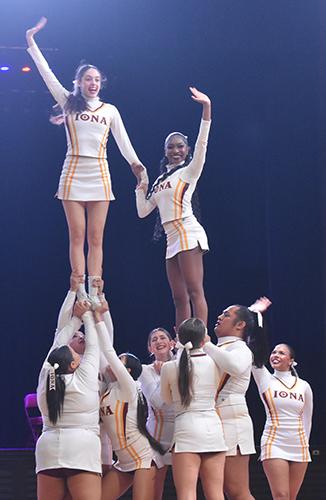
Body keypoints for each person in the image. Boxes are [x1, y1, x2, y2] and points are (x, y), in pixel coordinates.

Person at [26, 17, 148, 303]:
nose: (92, 83)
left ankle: (97, 291)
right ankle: (78, 290)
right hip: (72, 173)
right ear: (78, 83)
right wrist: (32, 43)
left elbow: (124, 142)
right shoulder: (68, 102)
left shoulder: (110, 110)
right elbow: (46, 74)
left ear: (100, 83)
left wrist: (138, 167)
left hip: (100, 174)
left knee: (96, 238)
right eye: (87, 79)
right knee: (77, 236)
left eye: (96, 79)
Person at [136, 88, 211, 327]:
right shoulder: (159, 182)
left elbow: (202, 143)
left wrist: (206, 108)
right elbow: (143, 211)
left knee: (194, 291)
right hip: (171, 238)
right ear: (165, 151)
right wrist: (142, 183)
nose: (176, 151)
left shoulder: (189, 171)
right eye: (171, 147)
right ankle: (182, 345)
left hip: (188, 231)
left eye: (180, 146)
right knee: (179, 298)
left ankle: (199, 341)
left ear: (187, 150)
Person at [94, 301, 165, 500]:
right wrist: (104, 308)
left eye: (119, 361)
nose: (113, 363)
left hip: (142, 457)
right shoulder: (109, 389)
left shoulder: (129, 387)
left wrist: (98, 317)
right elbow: (105, 344)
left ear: (128, 371)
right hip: (123, 461)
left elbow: (108, 349)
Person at [202, 298, 271, 500]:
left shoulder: (240, 348)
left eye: (226, 315)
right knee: (217, 488)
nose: (219, 317)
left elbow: (235, 367)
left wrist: (206, 344)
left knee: (236, 490)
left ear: (240, 325)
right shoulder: (218, 347)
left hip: (233, 421)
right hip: (213, 420)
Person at [36, 301, 101, 500]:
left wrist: (74, 320)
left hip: (47, 449)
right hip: (81, 448)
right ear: (73, 364)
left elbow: (57, 344)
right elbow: (94, 344)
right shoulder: (85, 377)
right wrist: (86, 316)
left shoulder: (46, 378)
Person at [161, 318, 227, 500]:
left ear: (179, 338)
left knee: (186, 494)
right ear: (203, 338)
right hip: (213, 428)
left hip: (185, 429)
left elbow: (166, 400)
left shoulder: (169, 366)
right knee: (216, 494)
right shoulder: (216, 361)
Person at [252, 343, 313, 500]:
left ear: (291, 361)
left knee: (291, 497)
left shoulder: (303, 386)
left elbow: (307, 419)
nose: (276, 355)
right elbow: (254, 357)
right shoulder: (265, 379)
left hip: (299, 443)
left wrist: (305, 444)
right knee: (281, 495)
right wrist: (257, 320)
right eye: (273, 352)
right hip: (274, 441)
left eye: (281, 353)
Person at [139, 328, 176, 500]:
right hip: (155, 438)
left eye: (163, 337)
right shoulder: (145, 370)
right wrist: (164, 376)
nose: (159, 341)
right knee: (154, 492)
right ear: (150, 348)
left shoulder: (182, 364)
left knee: (186, 488)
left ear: (172, 343)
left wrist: (167, 370)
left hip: (181, 435)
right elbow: (158, 402)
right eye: (154, 339)